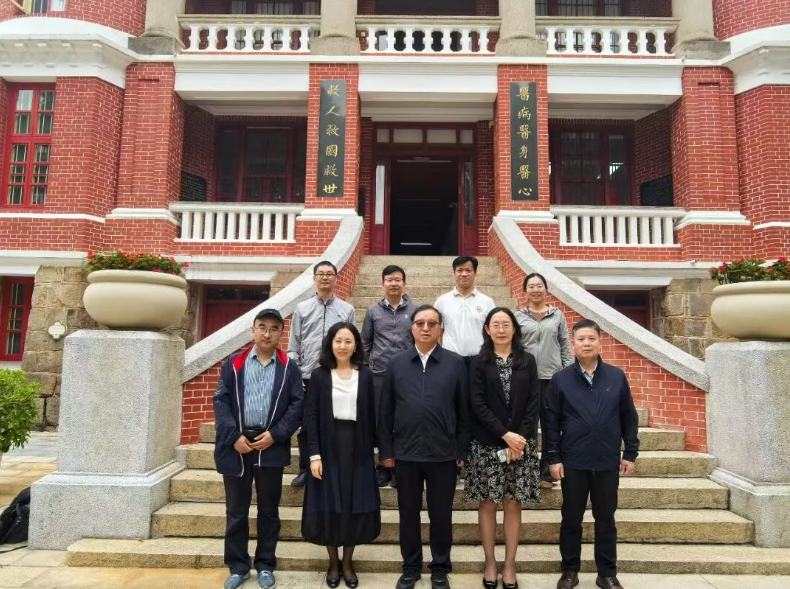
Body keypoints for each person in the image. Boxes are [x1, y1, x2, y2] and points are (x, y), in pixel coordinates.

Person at [379, 305, 470, 589]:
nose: (426, 328)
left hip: (443, 453)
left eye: (432, 323)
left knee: (441, 514)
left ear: (441, 329)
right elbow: (385, 411)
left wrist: (461, 450)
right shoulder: (396, 363)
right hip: (405, 453)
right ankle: (411, 566)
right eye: (420, 323)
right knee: (408, 513)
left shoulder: (455, 363)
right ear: (412, 328)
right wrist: (386, 451)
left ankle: (440, 566)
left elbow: (464, 410)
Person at [544, 320, 640, 589]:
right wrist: (553, 458)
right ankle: (569, 570)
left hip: (606, 460)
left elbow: (628, 416)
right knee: (571, 518)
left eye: (591, 339)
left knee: (606, 519)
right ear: (573, 345)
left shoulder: (616, 376)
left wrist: (630, 452)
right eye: (581, 339)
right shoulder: (561, 379)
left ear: (600, 342)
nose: (586, 344)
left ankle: (606, 572)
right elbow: (551, 422)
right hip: (573, 461)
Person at [213, 309, 304, 589]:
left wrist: (275, 435)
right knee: (236, 512)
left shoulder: (288, 367)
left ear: (281, 334)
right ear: (253, 330)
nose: (267, 333)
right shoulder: (234, 363)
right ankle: (238, 567)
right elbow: (221, 401)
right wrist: (233, 436)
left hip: (270, 447)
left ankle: (265, 565)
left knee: (269, 511)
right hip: (237, 447)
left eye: (274, 328)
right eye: (262, 327)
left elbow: (297, 405)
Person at [466, 307, 542, 589]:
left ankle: (510, 565)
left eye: (506, 324)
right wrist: (504, 434)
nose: (501, 329)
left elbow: (533, 402)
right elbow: (477, 403)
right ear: (487, 329)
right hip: (487, 443)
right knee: (488, 502)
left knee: (512, 502)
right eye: (495, 324)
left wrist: (518, 438)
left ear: (514, 329)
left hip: (520, 445)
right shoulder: (477, 362)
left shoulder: (527, 361)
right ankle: (490, 562)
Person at [302, 322, 381, 589]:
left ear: (356, 345)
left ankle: (348, 562)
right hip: (328, 447)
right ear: (330, 344)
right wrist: (314, 455)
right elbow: (311, 416)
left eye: (348, 341)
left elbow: (371, 415)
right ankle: (333, 562)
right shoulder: (320, 376)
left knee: (352, 504)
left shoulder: (365, 375)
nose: (343, 346)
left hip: (358, 448)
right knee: (330, 504)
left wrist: (375, 449)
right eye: (338, 341)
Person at [288, 260, 356, 488]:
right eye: (321, 274)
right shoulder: (302, 308)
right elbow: (293, 346)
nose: (325, 277)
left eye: (329, 274)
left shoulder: (347, 309)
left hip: (337, 374)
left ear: (336, 278)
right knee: (308, 424)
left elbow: (352, 342)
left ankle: (333, 464)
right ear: (314, 278)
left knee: (335, 421)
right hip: (308, 376)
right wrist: (296, 375)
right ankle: (305, 468)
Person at [361, 264, 418, 489]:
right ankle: (383, 466)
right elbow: (366, 342)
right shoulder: (373, 311)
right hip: (379, 373)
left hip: (407, 374)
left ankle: (399, 467)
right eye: (389, 280)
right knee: (381, 420)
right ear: (383, 283)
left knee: (403, 419)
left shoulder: (414, 310)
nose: (394, 284)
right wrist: (367, 367)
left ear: (404, 283)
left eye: (397, 280)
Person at [516, 272, 573, 489]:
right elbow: (514, 347)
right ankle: (527, 472)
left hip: (552, 379)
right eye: (531, 286)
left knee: (551, 426)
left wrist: (568, 374)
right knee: (527, 426)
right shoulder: (518, 317)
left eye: (539, 285)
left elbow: (565, 346)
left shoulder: (557, 316)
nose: (536, 290)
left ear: (546, 289)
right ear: (525, 291)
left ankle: (547, 474)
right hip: (526, 380)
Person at [434, 256, 496, 363]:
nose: (464, 274)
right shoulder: (442, 301)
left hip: (480, 360)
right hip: (450, 360)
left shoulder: (487, 302)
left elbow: (493, 331)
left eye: (468, 270)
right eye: (460, 270)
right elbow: (438, 331)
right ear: (454, 273)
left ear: (475, 273)